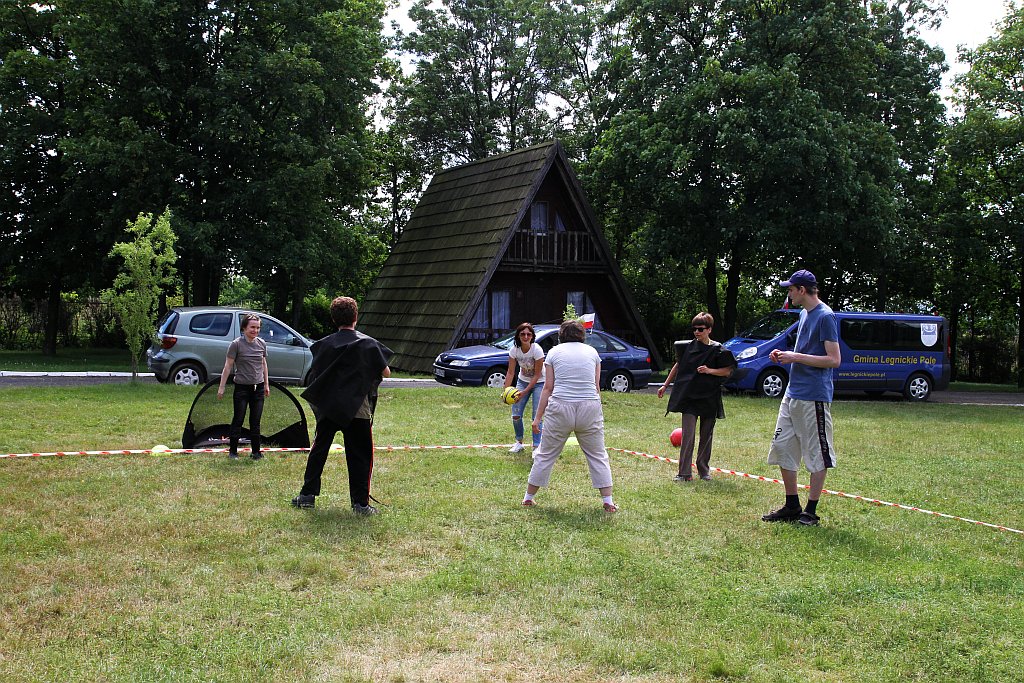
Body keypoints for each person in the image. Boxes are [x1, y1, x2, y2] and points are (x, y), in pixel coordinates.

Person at [291, 296, 392, 515]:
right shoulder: (368, 344)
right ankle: (360, 504)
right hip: (358, 409)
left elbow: (317, 374)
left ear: (333, 319)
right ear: (356, 317)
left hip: (329, 407)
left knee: (319, 450)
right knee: (360, 455)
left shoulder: (322, 345)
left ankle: (307, 495)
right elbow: (386, 372)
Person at [761, 270, 841, 526]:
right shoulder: (804, 314)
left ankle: (811, 511)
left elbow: (834, 359)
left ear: (802, 290)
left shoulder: (826, 316)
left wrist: (795, 357)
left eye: (791, 289)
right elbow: (805, 351)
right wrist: (785, 354)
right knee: (783, 447)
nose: (789, 293)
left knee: (816, 453)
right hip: (792, 393)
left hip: (813, 397)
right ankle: (792, 505)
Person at [522, 319, 617, 512]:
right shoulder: (593, 353)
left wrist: (537, 418)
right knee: (598, 455)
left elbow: (548, 388)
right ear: (582, 336)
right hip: (589, 406)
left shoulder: (554, 352)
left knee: (546, 454)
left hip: (560, 407)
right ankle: (608, 501)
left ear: (561, 336)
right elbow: (596, 387)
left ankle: (528, 498)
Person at [657, 312, 737, 481]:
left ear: (709, 329)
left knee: (706, 436)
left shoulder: (719, 350)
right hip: (689, 397)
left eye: (700, 329)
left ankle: (704, 471)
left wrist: (709, 370)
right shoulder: (687, 347)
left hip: (709, 397)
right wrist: (665, 385)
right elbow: (677, 366)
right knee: (688, 435)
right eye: (694, 329)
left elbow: (728, 370)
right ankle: (684, 473)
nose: (696, 332)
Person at [217, 313, 270, 460]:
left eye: (258, 328)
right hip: (241, 388)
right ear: (244, 328)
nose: (255, 330)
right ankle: (233, 452)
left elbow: (263, 364)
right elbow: (227, 366)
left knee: (255, 421)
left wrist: (266, 384)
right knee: (238, 419)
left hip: (258, 388)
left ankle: (256, 452)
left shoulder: (262, 344)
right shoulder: (236, 344)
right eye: (252, 327)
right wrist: (221, 387)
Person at [503, 322, 545, 453]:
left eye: (528, 334)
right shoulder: (514, 350)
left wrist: (525, 391)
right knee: (516, 414)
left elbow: (537, 375)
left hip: (540, 382)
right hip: (522, 380)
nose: (525, 336)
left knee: (535, 415)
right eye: (522, 334)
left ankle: (536, 446)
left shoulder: (536, 350)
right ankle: (518, 442)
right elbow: (510, 372)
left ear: (532, 336)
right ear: (518, 336)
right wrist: (506, 391)